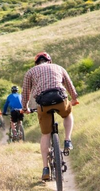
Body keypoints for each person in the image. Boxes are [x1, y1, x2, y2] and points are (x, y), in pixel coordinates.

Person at [21, 52, 79, 181]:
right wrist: (74, 98)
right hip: (60, 99)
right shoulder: (59, 67)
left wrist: (25, 108)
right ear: (49, 61)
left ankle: (45, 168)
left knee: (46, 134)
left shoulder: (30, 72)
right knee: (68, 114)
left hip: (43, 103)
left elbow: (25, 92)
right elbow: (69, 84)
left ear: (36, 63)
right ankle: (68, 140)